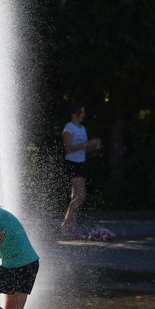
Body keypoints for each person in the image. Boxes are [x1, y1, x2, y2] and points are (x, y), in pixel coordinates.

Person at [61, 102, 102, 239]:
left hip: (81, 162)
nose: (83, 115)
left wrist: (93, 146)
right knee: (81, 195)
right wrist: (87, 144)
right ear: (74, 113)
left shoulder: (82, 128)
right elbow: (68, 149)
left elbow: (84, 149)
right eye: (81, 112)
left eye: (84, 112)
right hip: (72, 163)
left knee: (76, 197)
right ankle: (67, 226)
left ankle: (70, 228)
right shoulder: (69, 128)